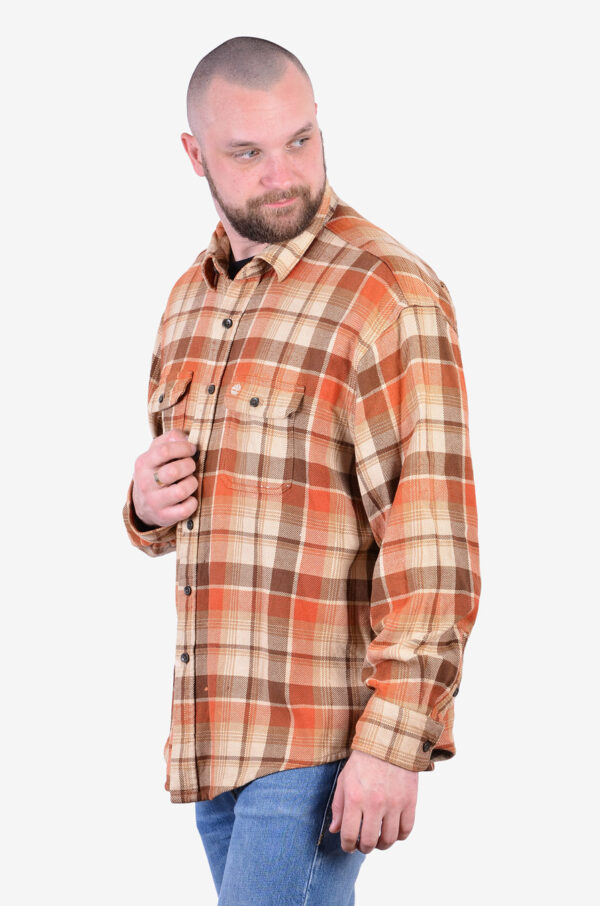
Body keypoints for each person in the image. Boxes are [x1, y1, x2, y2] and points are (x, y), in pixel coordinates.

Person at [123, 35, 480, 906]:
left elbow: (430, 533)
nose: (283, 174)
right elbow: (189, 515)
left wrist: (394, 742)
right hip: (214, 741)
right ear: (195, 155)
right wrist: (144, 505)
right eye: (247, 153)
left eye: (300, 140)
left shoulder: (387, 293)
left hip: (319, 745)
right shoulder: (190, 299)